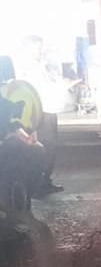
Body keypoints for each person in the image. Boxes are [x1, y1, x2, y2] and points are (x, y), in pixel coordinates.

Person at [14, 36, 62, 194]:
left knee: (50, 146)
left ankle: (44, 181)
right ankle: (39, 183)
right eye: (35, 48)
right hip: (40, 112)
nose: (39, 51)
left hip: (49, 108)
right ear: (26, 48)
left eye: (40, 48)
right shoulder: (26, 68)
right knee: (45, 146)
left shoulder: (39, 65)